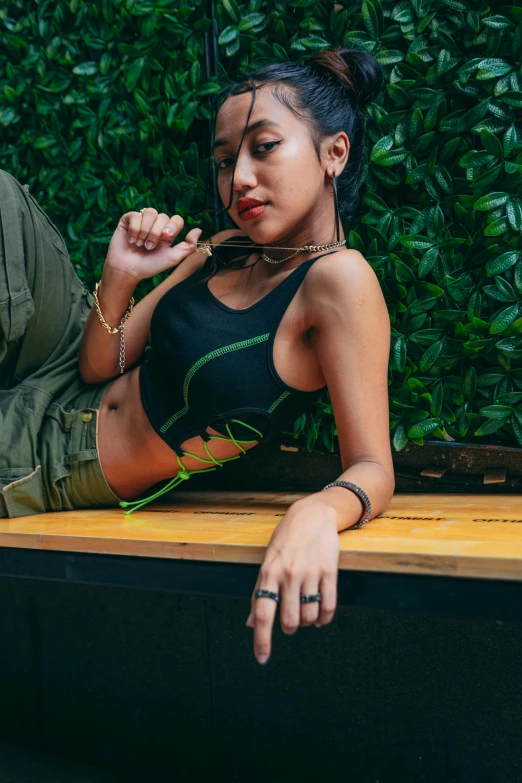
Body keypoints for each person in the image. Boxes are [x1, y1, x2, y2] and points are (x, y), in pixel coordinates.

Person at [0, 46, 394, 664]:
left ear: (333, 153)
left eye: (263, 147)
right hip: (61, 369)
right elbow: (99, 364)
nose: (237, 178)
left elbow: (372, 464)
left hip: (49, 457)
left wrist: (316, 513)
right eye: (224, 159)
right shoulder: (225, 246)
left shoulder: (337, 282)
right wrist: (122, 274)